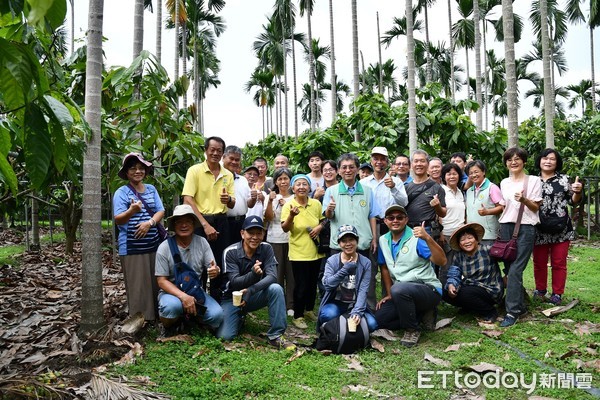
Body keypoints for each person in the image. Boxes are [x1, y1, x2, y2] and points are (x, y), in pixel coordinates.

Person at [215, 216, 295, 350]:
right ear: (242, 233)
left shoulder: (266, 248)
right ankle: (238, 316)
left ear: (263, 234)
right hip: (231, 298)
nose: (255, 237)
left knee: (275, 288)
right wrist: (253, 274)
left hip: (252, 295)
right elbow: (234, 282)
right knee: (225, 336)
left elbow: (272, 276)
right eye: (250, 233)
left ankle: (276, 335)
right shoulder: (230, 252)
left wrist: (251, 290)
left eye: (259, 233)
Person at [373, 205, 446, 347]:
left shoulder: (417, 238)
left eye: (399, 217)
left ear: (406, 220)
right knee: (381, 319)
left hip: (427, 289)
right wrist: (389, 293)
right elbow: (384, 267)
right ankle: (421, 315)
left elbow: (442, 261)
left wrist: (428, 238)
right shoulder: (383, 240)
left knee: (399, 289)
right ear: (385, 221)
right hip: (402, 292)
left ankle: (412, 329)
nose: (395, 220)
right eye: (391, 218)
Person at [155, 205, 224, 336]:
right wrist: (183, 297)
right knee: (171, 307)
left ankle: (191, 320)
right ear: (174, 225)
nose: (184, 225)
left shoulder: (202, 242)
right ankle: (168, 326)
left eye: (187, 221)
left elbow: (213, 266)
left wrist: (215, 271)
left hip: (195, 291)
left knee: (217, 316)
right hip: (172, 292)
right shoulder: (164, 247)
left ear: (193, 224)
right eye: (179, 222)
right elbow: (161, 281)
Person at [323, 153, 381, 309]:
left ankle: (367, 310)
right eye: (344, 167)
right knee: (339, 279)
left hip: (362, 243)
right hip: (339, 244)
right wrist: (329, 209)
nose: (348, 170)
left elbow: (372, 215)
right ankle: (338, 311)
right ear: (339, 171)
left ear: (357, 169)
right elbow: (328, 216)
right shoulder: (331, 191)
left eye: (351, 167)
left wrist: (374, 238)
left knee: (366, 278)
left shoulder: (368, 191)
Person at [182, 136, 235, 302]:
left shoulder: (228, 174)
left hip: (222, 221)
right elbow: (188, 199)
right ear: (205, 151)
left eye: (219, 150)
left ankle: (218, 302)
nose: (215, 153)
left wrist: (229, 200)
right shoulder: (195, 170)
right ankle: (196, 302)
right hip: (200, 221)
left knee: (219, 262)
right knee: (198, 264)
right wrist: (204, 225)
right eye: (212, 149)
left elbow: (232, 203)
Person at [114, 153, 165, 322]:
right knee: (137, 285)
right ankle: (140, 319)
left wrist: (149, 223)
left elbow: (160, 210)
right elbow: (118, 218)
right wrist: (131, 211)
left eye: (141, 168)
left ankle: (157, 316)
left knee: (155, 280)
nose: (138, 171)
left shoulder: (151, 189)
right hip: (131, 247)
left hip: (154, 244)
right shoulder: (121, 192)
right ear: (126, 172)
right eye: (133, 168)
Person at [498, 147, 542, 327]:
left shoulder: (533, 180)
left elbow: (536, 208)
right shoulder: (504, 182)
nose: (513, 162)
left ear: (524, 161)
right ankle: (520, 305)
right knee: (509, 269)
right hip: (506, 226)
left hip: (526, 227)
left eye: (517, 159)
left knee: (516, 269)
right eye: (509, 159)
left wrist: (524, 200)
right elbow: (504, 207)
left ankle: (512, 311)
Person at [533, 149, 583, 305]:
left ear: (557, 162)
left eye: (552, 159)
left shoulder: (564, 180)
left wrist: (577, 191)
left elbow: (573, 201)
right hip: (538, 228)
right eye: (545, 158)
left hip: (561, 228)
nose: (548, 161)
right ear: (539, 161)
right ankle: (540, 290)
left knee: (559, 262)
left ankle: (557, 294)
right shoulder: (532, 181)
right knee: (539, 262)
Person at [282, 174, 325, 329]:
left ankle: (308, 310)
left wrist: (320, 227)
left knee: (312, 283)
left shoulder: (316, 203)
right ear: (293, 188)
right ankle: (298, 315)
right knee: (300, 285)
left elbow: (323, 220)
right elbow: (285, 228)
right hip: (299, 252)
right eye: (298, 184)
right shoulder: (289, 205)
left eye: (304, 184)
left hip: (316, 250)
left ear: (309, 187)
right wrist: (291, 216)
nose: (301, 187)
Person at [319, 225, 378, 332]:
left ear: (357, 241)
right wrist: (345, 269)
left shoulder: (365, 263)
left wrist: (357, 312)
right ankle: (338, 326)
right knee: (328, 315)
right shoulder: (332, 261)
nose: (348, 244)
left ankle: (341, 325)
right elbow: (327, 285)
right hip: (336, 303)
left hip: (355, 303)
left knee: (372, 324)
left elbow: (363, 290)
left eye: (351, 239)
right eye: (344, 241)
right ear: (339, 243)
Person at [443, 223, 503, 322]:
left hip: (490, 289)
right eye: (462, 240)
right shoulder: (459, 256)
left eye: (470, 238)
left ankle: (490, 312)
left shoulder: (487, 249)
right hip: (471, 287)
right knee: (445, 291)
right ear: (459, 244)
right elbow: (454, 272)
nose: (467, 242)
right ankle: (470, 306)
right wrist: (451, 285)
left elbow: (506, 257)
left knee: (466, 294)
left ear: (476, 239)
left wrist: (507, 274)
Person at [264, 167, 295, 315]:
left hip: (293, 240)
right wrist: (271, 201)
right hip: (274, 239)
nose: (283, 182)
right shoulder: (270, 197)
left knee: (291, 274)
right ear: (275, 182)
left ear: (290, 180)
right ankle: (277, 302)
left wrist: (287, 207)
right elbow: (269, 218)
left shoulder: (295, 197)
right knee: (277, 273)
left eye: (286, 178)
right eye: (280, 179)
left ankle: (291, 305)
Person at [404, 150, 446, 236]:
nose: (419, 164)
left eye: (422, 161)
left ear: (427, 164)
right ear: (411, 165)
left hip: (427, 230)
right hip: (408, 230)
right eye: (416, 161)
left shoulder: (437, 188)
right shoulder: (406, 188)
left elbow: (443, 213)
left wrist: (437, 206)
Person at [223, 146, 257, 244]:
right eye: (231, 158)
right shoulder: (219, 178)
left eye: (237, 160)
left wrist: (253, 198)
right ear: (223, 158)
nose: (234, 162)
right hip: (225, 222)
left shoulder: (242, 180)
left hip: (241, 222)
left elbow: (249, 204)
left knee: (241, 250)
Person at [464, 160, 504, 245]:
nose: (473, 175)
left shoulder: (492, 188)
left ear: (483, 172)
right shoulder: (469, 191)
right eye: (470, 173)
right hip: (472, 236)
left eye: (476, 172)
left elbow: (501, 207)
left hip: (488, 235)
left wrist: (487, 212)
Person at [438, 163, 466, 279]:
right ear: (444, 177)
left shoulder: (460, 192)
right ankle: (444, 294)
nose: (452, 177)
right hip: (447, 235)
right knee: (446, 266)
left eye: (455, 174)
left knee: (459, 265)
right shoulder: (441, 190)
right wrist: (441, 233)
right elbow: (437, 213)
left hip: (460, 235)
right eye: (448, 174)